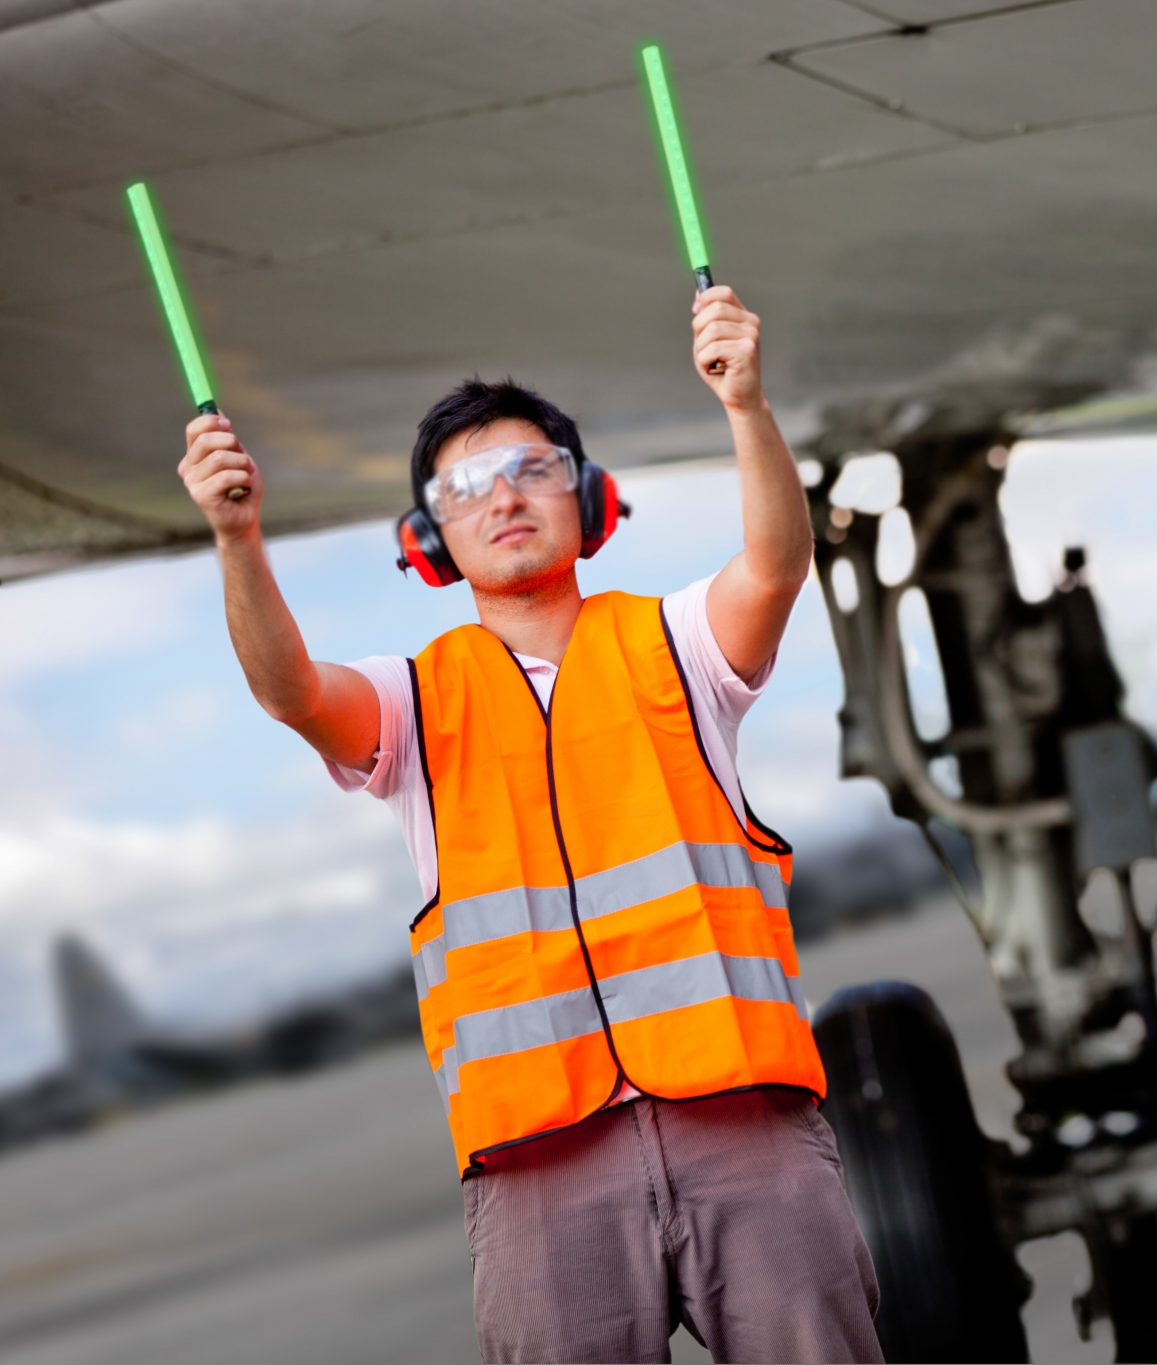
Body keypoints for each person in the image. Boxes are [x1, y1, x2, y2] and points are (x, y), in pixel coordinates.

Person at [176, 286, 883, 1364]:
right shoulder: (414, 702)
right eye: (464, 486)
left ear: (588, 501)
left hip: (744, 1128)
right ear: (431, 539)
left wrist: (745, 406)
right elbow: (289, 692)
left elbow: (777, 566)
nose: (502, 496)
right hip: (540, 1166)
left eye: (533, 469)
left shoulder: (677, 646)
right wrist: (238, 540)